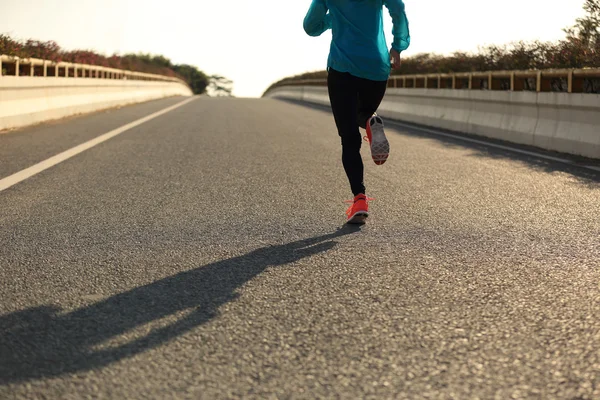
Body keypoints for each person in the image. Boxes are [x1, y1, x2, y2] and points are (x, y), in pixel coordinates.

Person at [303, 0, 410, 224]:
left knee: (349, 138)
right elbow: (398, 9)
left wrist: (334, 19)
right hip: (377, 68)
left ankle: (359, 200)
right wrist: (398, 46)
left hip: (342, 69)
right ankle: (370, 121)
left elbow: (310, 27)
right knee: (363, 114)